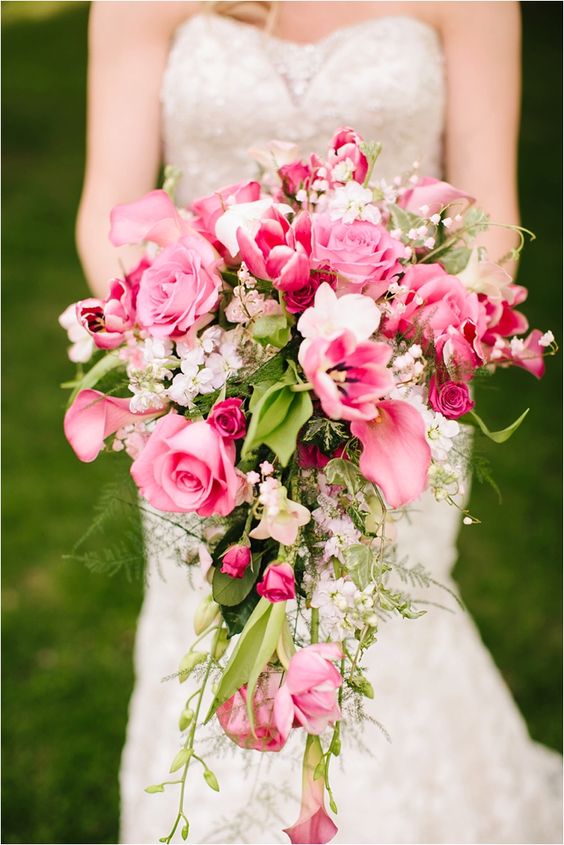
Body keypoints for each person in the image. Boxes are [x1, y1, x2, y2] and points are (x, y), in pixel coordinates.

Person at [76, 2, 562, 843]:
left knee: (384, 632)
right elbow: (108, 207)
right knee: (211, 633)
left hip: (395, 392)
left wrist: (403, 346)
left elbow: (491, 228)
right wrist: (200, 353)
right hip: (203, 400)